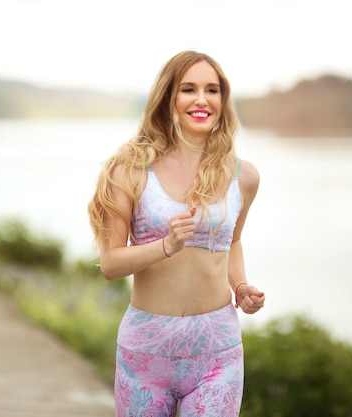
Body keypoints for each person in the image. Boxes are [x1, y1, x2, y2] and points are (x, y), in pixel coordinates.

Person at [87, 50, 265, 417]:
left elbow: (231, 242)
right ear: (169, 97)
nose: (201, 100)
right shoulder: (130, 171)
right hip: (146, 354)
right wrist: (166, 245)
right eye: (188, 89)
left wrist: (242, 286)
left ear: (223, 100)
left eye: (212, 90)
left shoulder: (243, 176)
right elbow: (110, 264)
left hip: (218, 352)